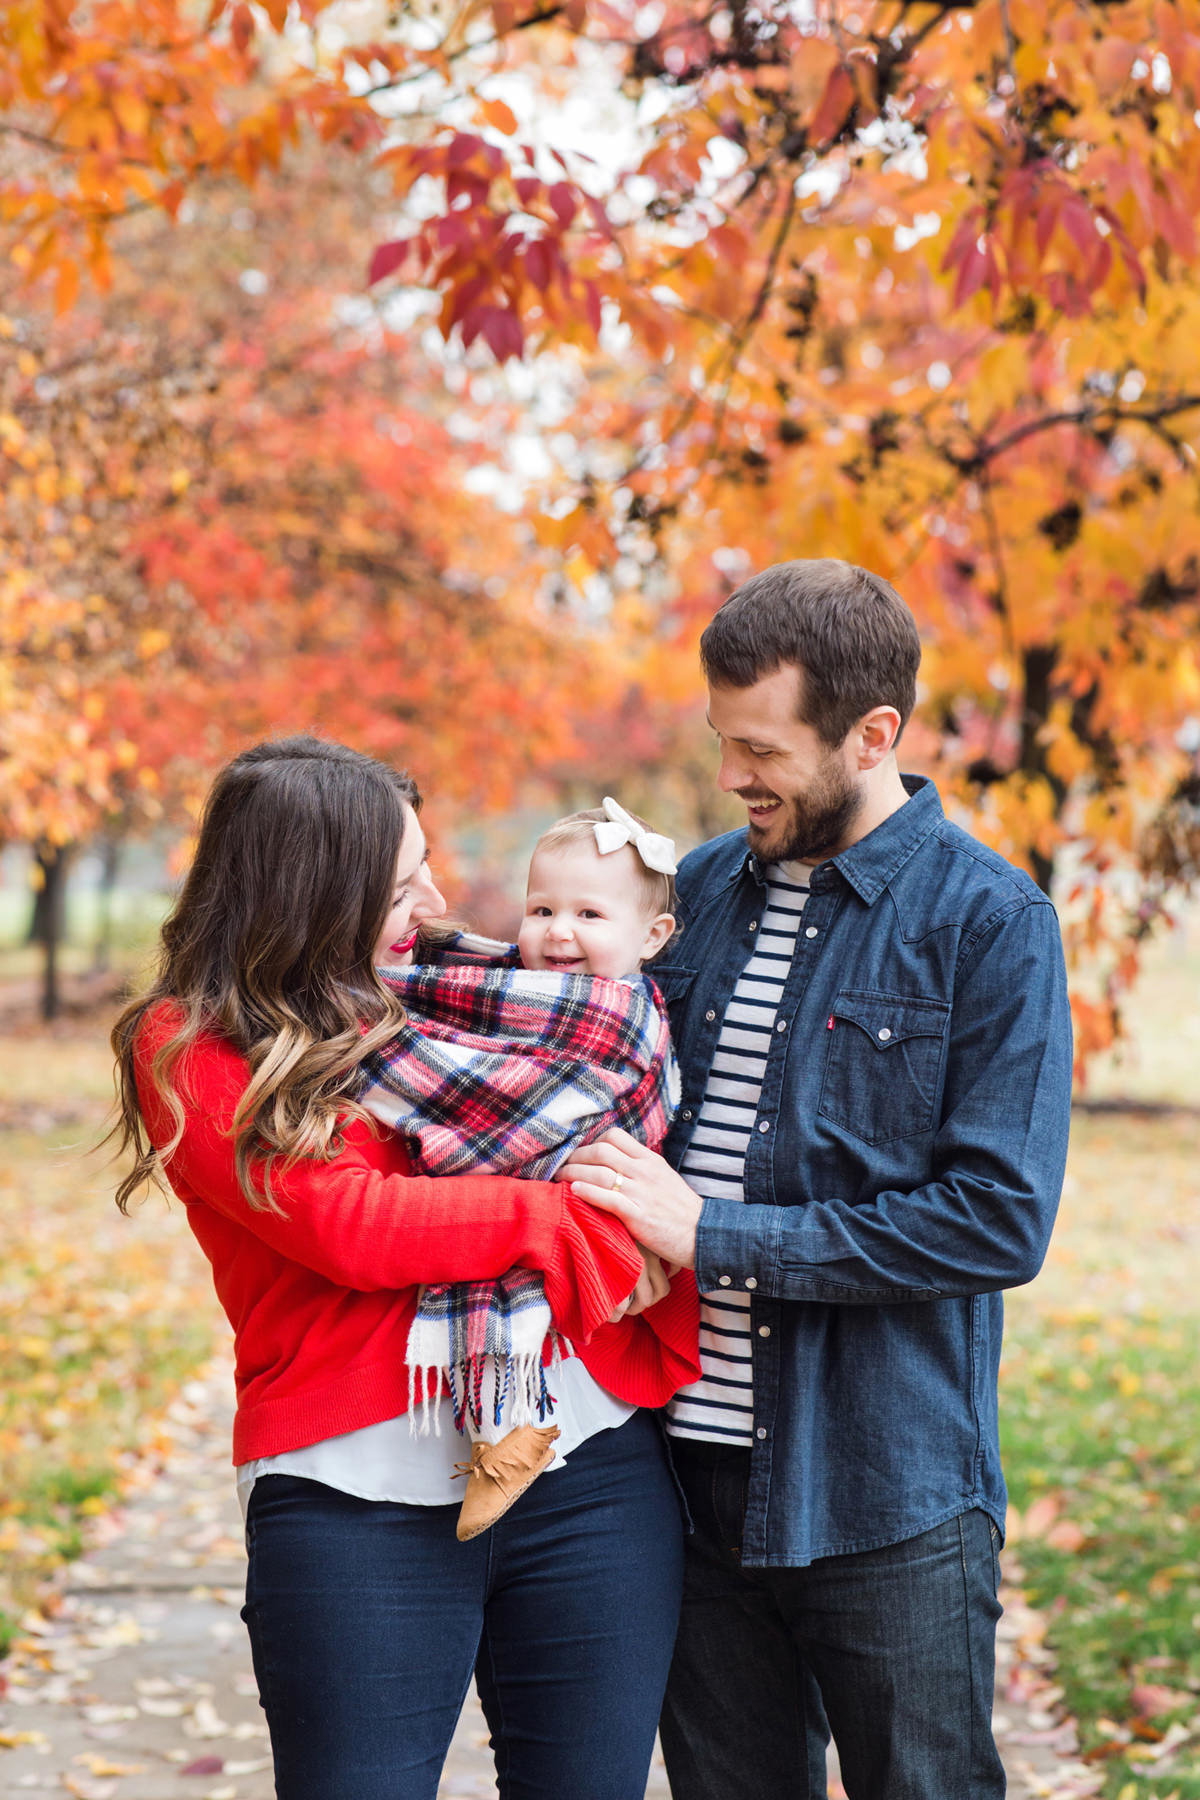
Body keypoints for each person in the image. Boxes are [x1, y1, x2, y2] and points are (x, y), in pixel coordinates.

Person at [562, 558, 1074, 1800]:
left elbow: (996, 1222)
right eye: (724, 741)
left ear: (872, 735)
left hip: (884, 1493)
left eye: (765, 751)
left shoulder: (991, 922)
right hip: (681, 1483)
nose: (734, 775)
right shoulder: (688, 900)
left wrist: (717, 1235)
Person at [109, 736, 699, 1800]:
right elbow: (350, 1221)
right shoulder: (191, 1045)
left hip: (587, 1474)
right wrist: (568, 1228)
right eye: (399, 880)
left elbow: (619, 1112)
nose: (432, 895)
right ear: (314, 892)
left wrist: (632, 1224)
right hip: (354, 1505)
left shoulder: (455, 991)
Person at [357, 798, 688, 1540]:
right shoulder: (513, 987)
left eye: (589, 916)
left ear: (653, 936)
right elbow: (467, 982)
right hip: (559, 1202)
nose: (557, 931)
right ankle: (505, 1433)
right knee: (498, 1256)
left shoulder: (619, 1013)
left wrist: (377, 1040)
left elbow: (499, 1096)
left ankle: (508, 1433)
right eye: (540, 908)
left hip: (589, 1180)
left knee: (509, 1284)